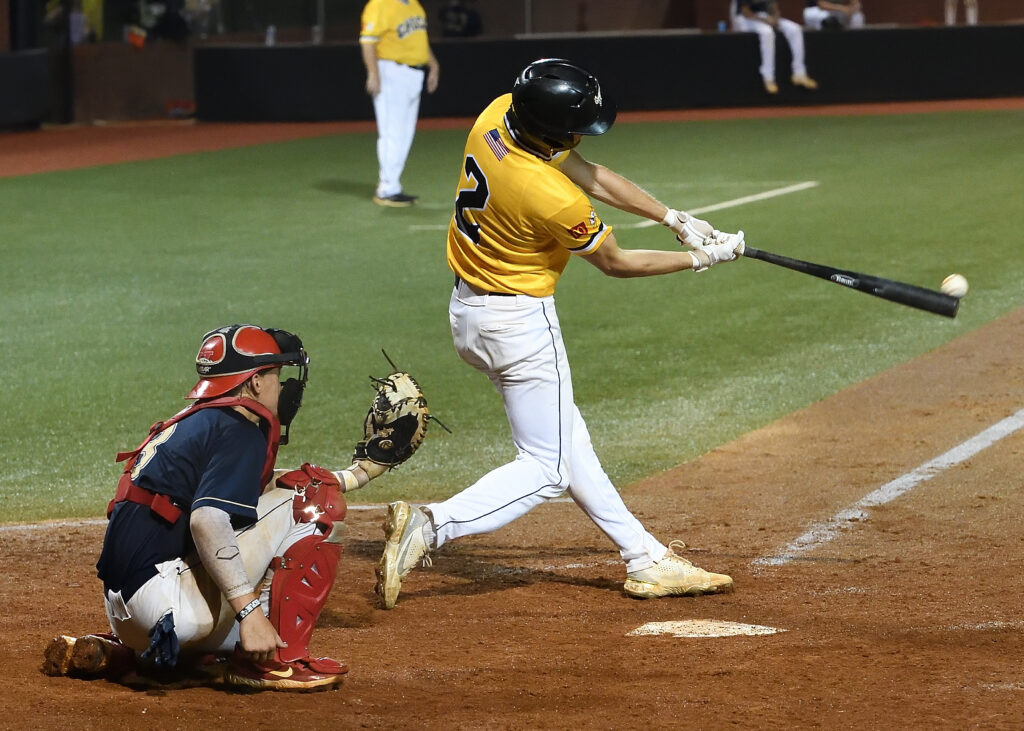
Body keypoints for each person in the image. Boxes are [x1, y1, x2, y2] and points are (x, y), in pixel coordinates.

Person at [373, 59, 744, 610]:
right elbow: (616, 262)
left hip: (469, 312)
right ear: (552, 129)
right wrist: (698, 259)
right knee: (547, 468)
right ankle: (431, 525)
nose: (578, 137)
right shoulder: (545, 193)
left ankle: (645, 558)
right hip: (519, 325)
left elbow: (588, 171)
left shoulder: (499, 116)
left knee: (571, 445)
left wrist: (672, 216)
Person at [43, 324, 391, 691]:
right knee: (316, 502)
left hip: (129, 615)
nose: (283, 387)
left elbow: (268, 490)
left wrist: (359, 474)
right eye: (276, 375)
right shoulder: (239, 426)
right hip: (168, 607)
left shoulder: (202, 422)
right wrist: (249, 613)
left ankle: (133, 652)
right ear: (255, 382)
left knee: (291, 498)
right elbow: (208, 520)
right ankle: (278, 660)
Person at [360, 0, 441, 207]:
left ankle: (392, 185)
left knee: (405, 134)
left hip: (414, 73)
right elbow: (368, 41)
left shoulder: (414, 5)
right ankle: (387, 188)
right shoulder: (379, 4)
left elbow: (419, 41)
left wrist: (433, 65)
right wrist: (373, 73)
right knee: (392, 132)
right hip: (390, 70)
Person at [732, 0, 818, 94]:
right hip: (745, 18)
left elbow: (773, 6)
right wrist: (765, 21)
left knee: (795, 29)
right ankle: (768, 78)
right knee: (767, 32)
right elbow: (745, 12)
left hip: (764, 16)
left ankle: (799, 73)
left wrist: (775, 19)